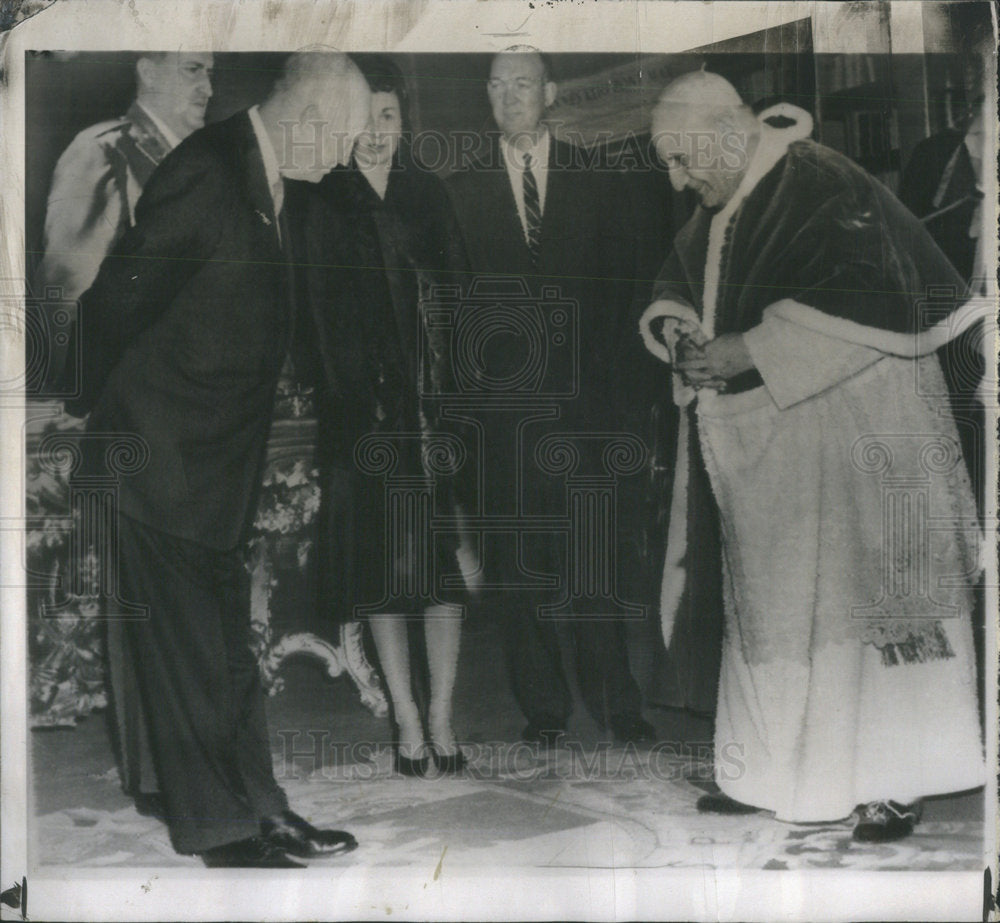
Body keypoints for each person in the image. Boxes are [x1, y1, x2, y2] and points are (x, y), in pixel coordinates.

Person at [640, 71, 985, 842]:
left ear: (725, 133)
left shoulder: (824, 180)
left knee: (877, 614)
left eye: (681, 158)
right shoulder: (726, 197)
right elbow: (683, 279)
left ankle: (898, 779)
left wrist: (748, 348)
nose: (677, 177)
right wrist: (682, 334)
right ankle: (767, 769)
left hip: (869, 440)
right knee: (781, 610)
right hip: (790, 446)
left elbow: (877, 297)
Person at [64, 51, 372, 868]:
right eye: (339, 139)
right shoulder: (207, 170)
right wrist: (91, 401)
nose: (343, 158)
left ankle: (263, 808)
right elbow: (118, 296)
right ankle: (219, 831)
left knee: (231, 651)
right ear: (304, 120)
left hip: (216, 463)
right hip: (161, 457)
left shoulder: (273, 180)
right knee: (188, 654)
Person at [446, 48, 655, 746]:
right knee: (517, 567)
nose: (511, 97)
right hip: (502, 418)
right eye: (499, 85)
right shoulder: (460, 190)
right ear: (487, 96)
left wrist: (619, 399)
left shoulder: (601, 181)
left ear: (551, 93)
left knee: (595, 557)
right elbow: (452, 310)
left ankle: (615, 701)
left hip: (590, 410)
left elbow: (627, 290)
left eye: (524, 84)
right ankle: (543, 707)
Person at [34, 50, 214, 814]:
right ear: (148, 70)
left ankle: (195, 763)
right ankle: (157, 773)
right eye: (193, 70)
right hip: (134, 416)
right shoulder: (102, 152)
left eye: (211, 72)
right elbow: (65, 296)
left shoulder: (203, 155)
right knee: (143, 601)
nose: (208, 86)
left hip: (200, 409)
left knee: (192, 603)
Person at [285, 54, 473, 776]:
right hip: (364, 424)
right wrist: (351, 396)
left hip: (433, 422)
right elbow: (310, 319)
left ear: (405, 123)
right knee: (386, 575)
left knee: (441, 575)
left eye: (387, 118)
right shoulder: (322, 201)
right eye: (362, 120)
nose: (374, 134)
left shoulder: (428, 196)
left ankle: (448, 715)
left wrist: (451, 400)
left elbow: (462, 300)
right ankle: (408, 719)